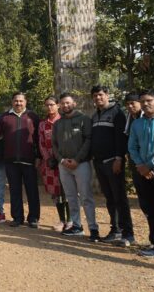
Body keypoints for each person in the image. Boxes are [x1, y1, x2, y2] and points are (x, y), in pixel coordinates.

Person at [0, 92, 40, 228]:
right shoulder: (5, 117)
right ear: (12, 102)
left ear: (25, 102)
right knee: (14, 190)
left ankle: (33, 218)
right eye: (16, 101)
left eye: (21, 101)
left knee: (32, 190)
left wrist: (39, 156)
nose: (18, 103)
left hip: (29, 160)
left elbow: (39, 138)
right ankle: (17, 218)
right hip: (11, 161)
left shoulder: (33, 116)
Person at [90, 85, 135, 246]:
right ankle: (115, 229)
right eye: (95, 96)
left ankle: (127, 233)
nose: (98, 98)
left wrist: (118, 158)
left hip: (113, 162)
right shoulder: (95, 115)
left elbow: (120, 139)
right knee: (110, 198)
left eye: (100, 95)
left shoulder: (117, 113)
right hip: (99, 163)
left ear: (107, 95)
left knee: (120, 198)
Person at [128, 90, 154, 258]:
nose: (145, 104)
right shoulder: (137, 124)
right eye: (143, 101)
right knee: (151, 209)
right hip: (143, 173)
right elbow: (132, 147)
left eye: (149, 100)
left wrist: (151, 166)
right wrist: (140, 165)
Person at [53, 93, 99, 241]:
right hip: (64, 166)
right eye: (62, 103)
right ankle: (77, 226)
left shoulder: (84, 119)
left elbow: (88, 140)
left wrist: (77, 160)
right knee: (71, 197)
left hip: (81, 164)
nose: (65, 106)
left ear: (74, 103)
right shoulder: (58, 123)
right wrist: (61, 160)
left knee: (86, 197)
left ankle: (93, 228)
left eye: (68, 103)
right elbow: (54, 145)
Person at [37, 96, 69, 232]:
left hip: (65, 161)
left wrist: (60, 158)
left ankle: (72, 220)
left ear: (58, 105)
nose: (49, 107)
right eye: (47, 105)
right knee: (56, 193)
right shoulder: (43, 124)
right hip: (50, 163)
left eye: (52, 104)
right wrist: (48, 158)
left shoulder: (65, 121)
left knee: (68, 191)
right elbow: (41, 143)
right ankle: (62, 220)